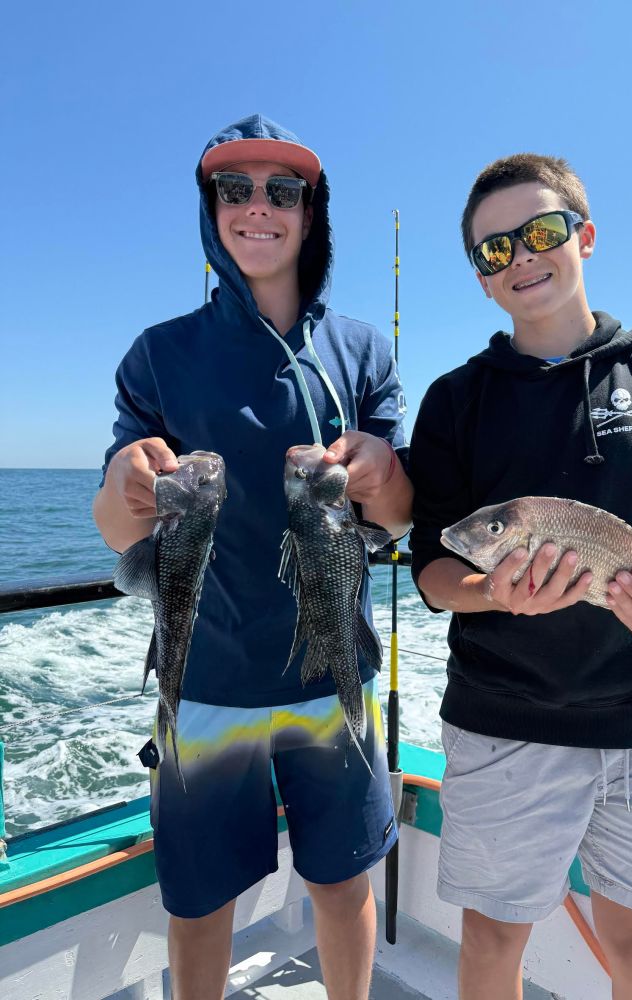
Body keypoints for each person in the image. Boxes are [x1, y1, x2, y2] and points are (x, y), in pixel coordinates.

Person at [408, 153, 632, 1000]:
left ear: (584, 238)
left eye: (541, 233)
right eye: (494, 251)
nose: (521, 258)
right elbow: (433, 568)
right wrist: (492, 592)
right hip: (502, 723)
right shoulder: (455, 401)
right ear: (481, 280)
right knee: (491, 942)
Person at [93, 114, 412, 1000]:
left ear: (314, 214)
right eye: (234, 190)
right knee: (198, 901)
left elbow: (397, 518)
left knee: (343, 882)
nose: (259, 208)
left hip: (334, 676)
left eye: (285, 191)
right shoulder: (160, 354)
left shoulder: (361, 349)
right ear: (210, 211)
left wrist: (383, 473)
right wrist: (124, 478)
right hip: (204, 678)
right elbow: (120, 535)